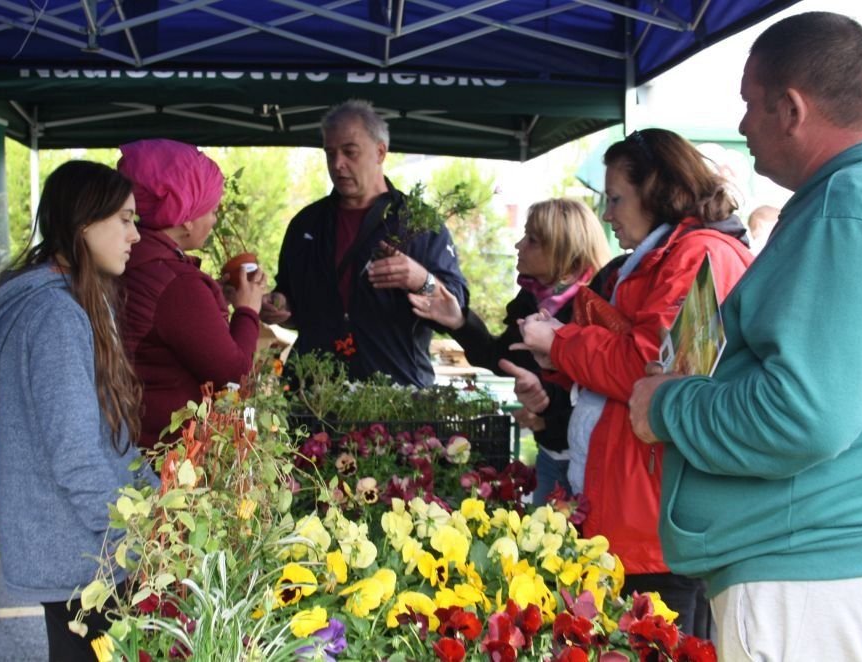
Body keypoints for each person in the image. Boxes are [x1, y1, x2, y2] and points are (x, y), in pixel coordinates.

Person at [628, 12, 862, 660]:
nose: (743, 126)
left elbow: (804, 415)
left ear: (791, 108)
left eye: (749, 105)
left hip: (816, 577)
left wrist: (665, 405)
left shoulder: (855, 207)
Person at [508, 129, 753, 636]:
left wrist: (561, 345)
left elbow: (648, 368)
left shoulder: (698, 254)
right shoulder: (665, 255)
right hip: (638, 518)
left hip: (659, 528)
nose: (608, 214)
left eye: (616, 198)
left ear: (658, 189)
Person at [0, 161, 153, 661]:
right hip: (84, 554)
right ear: (85, 224)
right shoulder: (54, 317)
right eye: (125, 219)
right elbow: (74, 454)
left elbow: (103, 436)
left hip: (80, 547)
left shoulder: (71, 303)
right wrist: (135, 537)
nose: (135, 235)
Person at [408, 198, 611, 504]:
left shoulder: (599, 307)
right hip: (549, 455)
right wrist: (459, 321)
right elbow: (500, 358)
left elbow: (604, 391)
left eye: (533, 240)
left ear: (565, 253)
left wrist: (548, 414)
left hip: (590, 462)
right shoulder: (532, 300)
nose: (518, 245)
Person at [261, 99, 468, 386]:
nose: (338, 164)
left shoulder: (419, 223)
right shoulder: (306, 225)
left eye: (350, 152)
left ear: (380, 152)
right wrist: (279, 306)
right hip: (313, 394)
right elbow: (289, 298)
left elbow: (457, 305)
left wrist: (422, 280)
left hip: (396, 395)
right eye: (330, 153)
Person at [117, 139, 267, 450]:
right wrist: (247, 310)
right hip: (166, 452)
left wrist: (215, 304)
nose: (214, 220)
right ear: (186, 215)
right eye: (211, 210)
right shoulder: (177, 283)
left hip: (130, 435)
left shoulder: (134, 258)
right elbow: (233, 375)